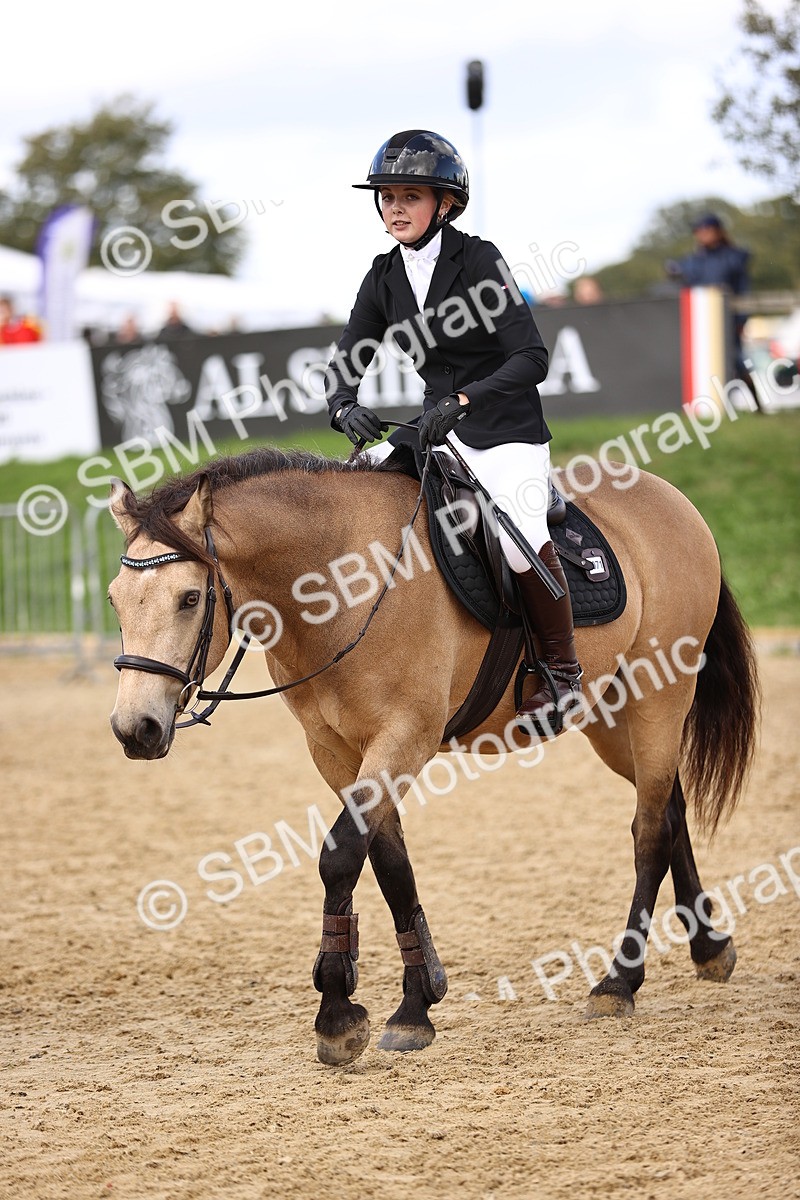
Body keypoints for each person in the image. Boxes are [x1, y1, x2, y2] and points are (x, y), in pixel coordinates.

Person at [324, 129, 582, 725]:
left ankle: (561, 673)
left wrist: (466, 398)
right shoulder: (383, 275)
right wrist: (343, 406)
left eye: (409, 197)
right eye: (387, 197)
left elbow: (532, 358)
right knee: (352, 494)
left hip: (505, 430)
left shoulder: (479, 260)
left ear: (445, 203)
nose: (395, 208)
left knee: (518, 538)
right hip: (433, 430)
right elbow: (347, 359)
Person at [666, 213, 753, 389]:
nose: (703, 233)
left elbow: (742, 291)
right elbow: (685, 283)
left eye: (707, 229)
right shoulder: (693, 260)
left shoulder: (733, 257)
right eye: (699, 230)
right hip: (701, 319)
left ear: (718, 231)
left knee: (735, 360)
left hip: (728, 318)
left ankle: (756, 400)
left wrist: (741, 320)